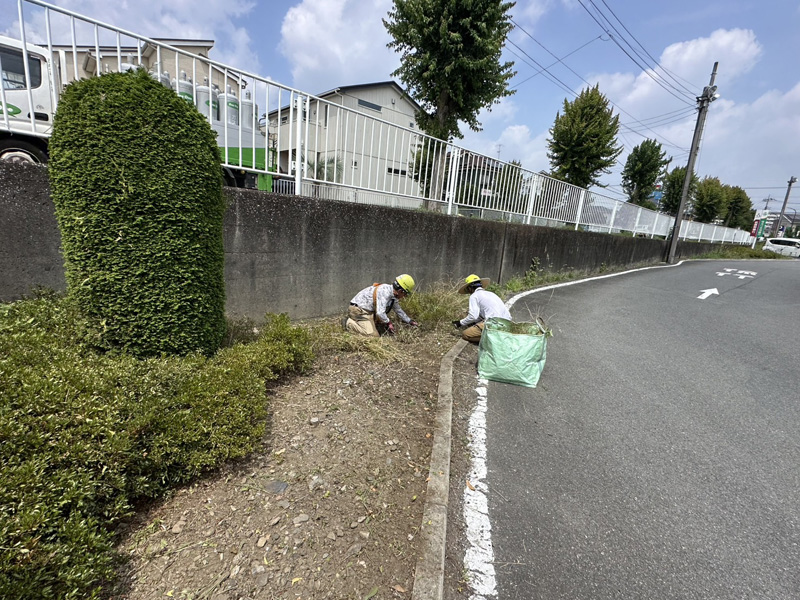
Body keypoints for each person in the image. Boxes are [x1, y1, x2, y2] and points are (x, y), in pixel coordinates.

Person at [345, 274, 420, 337]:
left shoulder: (392, 295)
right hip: (358, 310)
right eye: (405, 294)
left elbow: (398, 310)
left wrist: (410, 321)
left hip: (368, 311)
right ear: (400, 291)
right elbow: (380, 313)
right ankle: (348, 323)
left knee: (377, 327)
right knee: (374, 336)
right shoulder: (385, 293)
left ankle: (366, 324)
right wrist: (389, 323)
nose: (404, 297)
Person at [452, 274, 511, 344]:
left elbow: (473, 316)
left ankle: (494, 339)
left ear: (470, 288)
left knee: (465, 334)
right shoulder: (491, 293)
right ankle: (500, 335)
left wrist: (460, 323)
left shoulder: (474, 296)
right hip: (507, 324)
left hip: (494, 324)